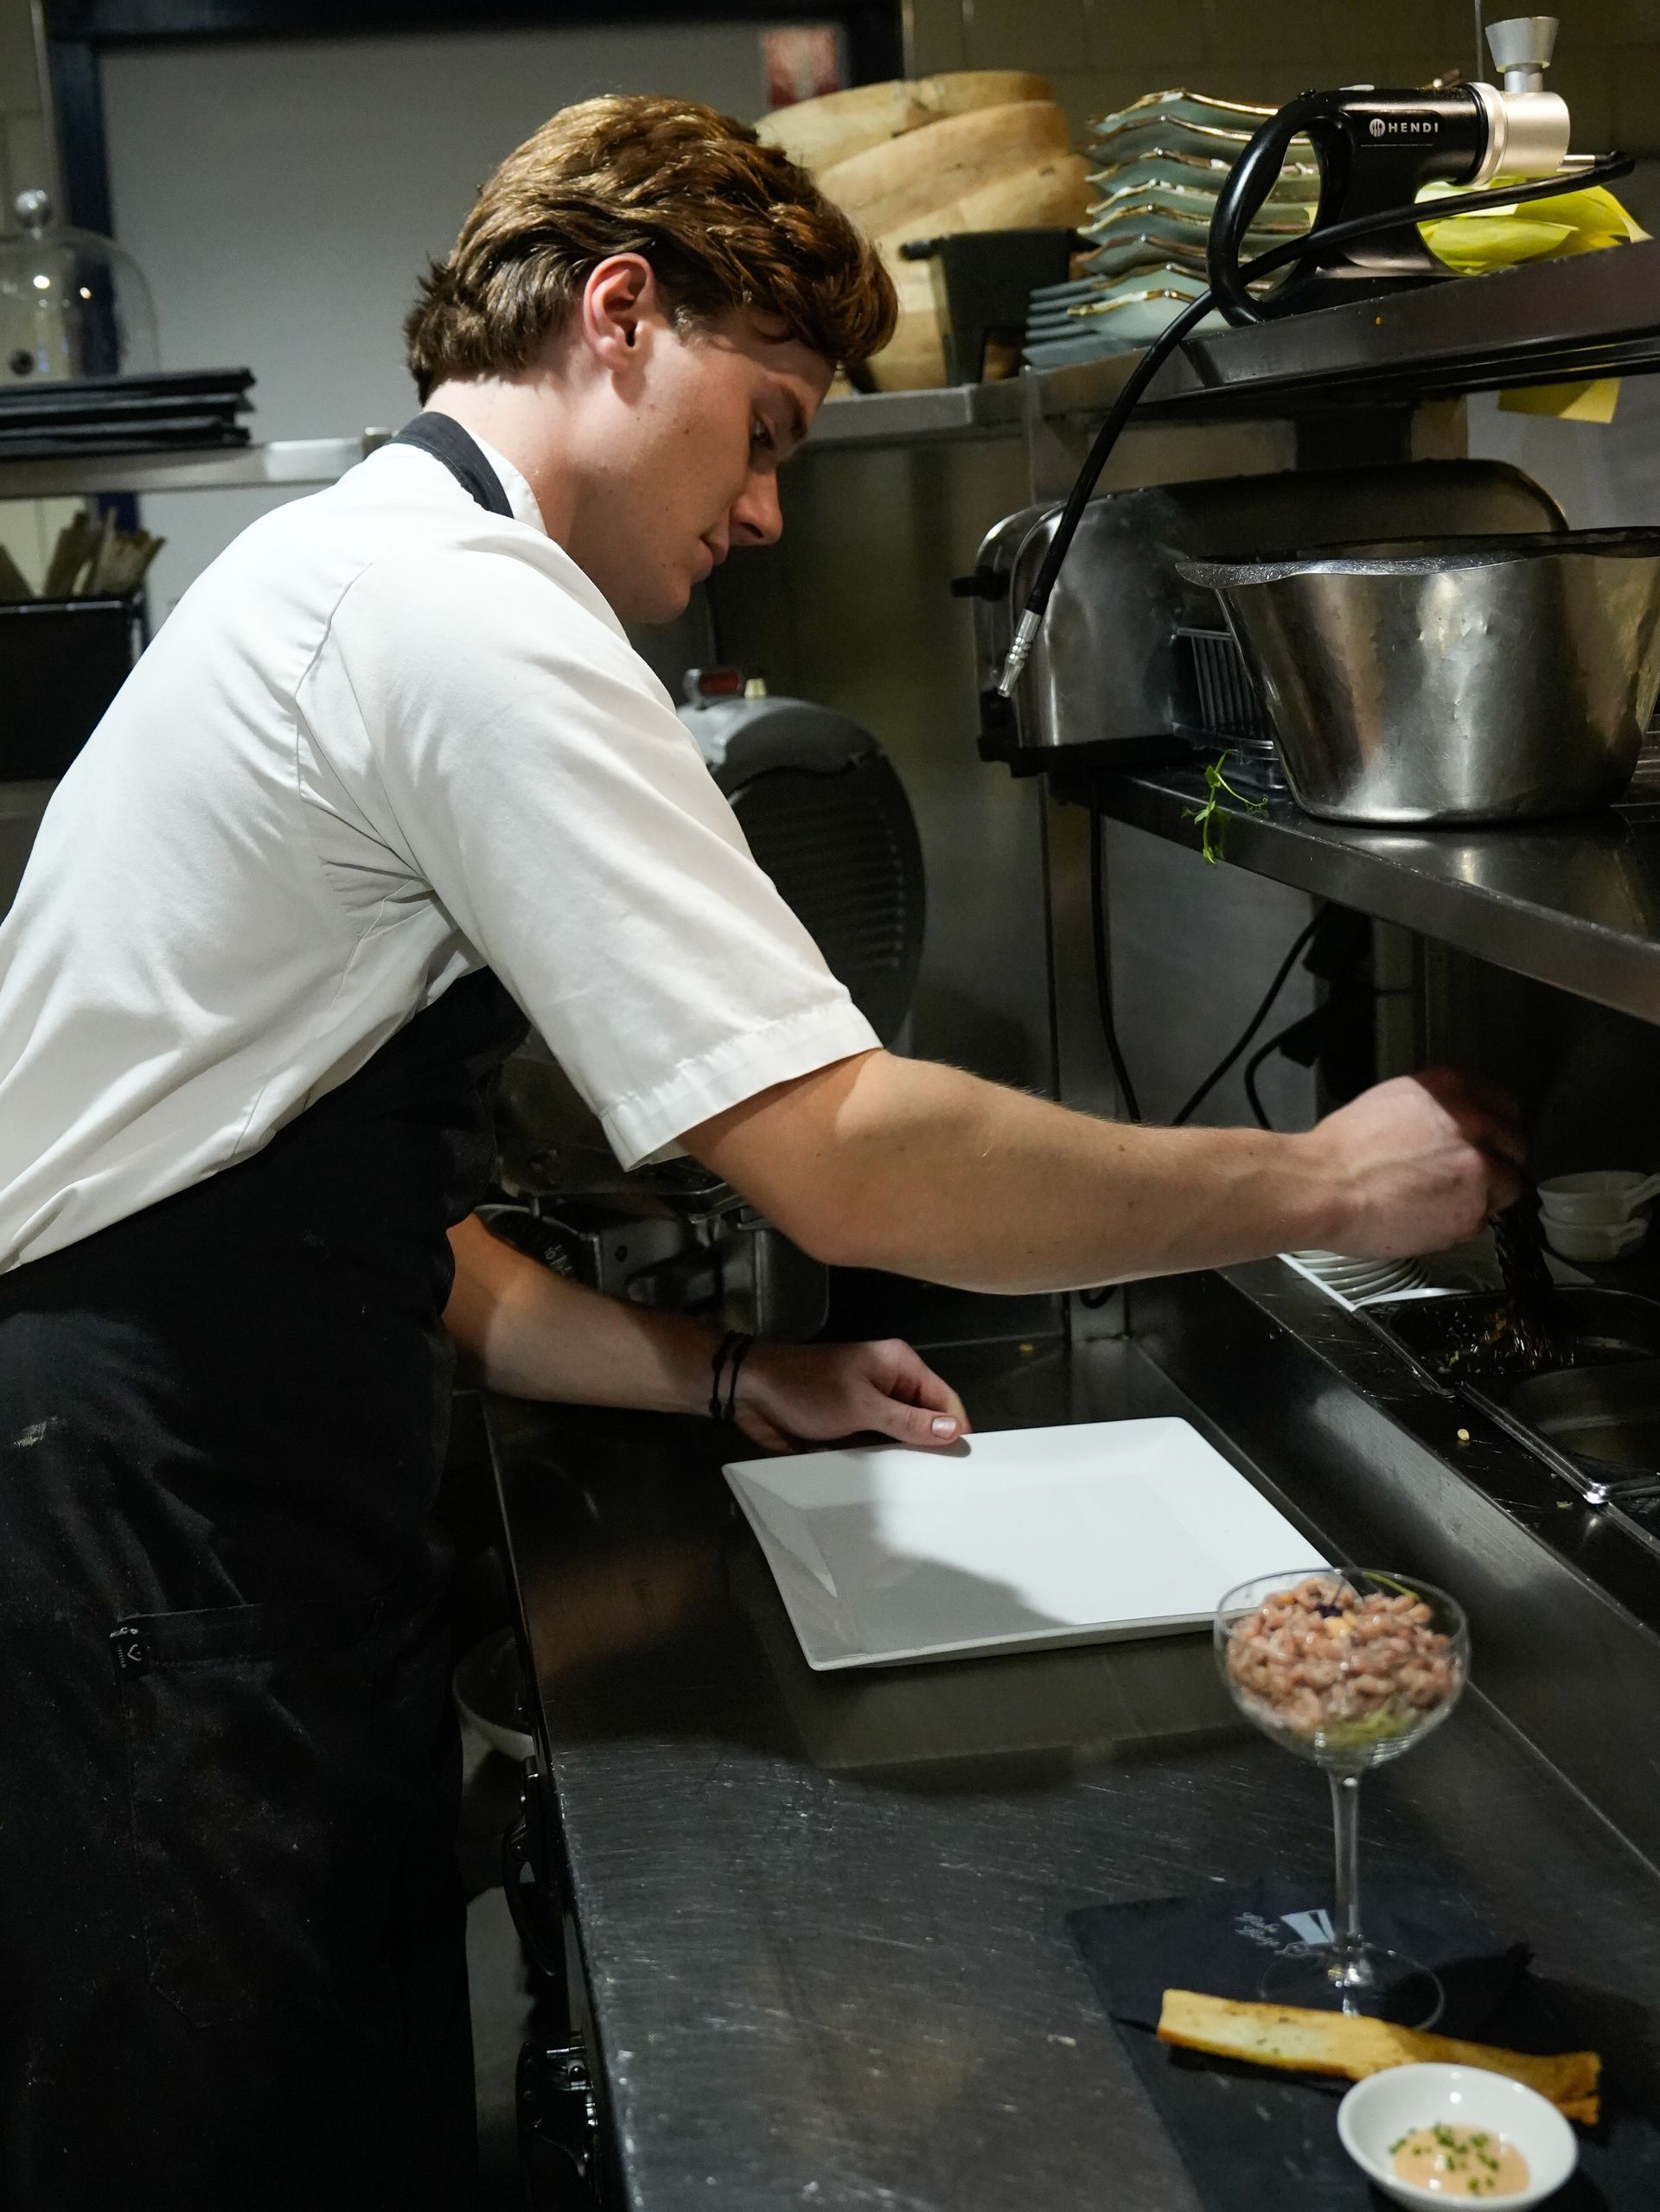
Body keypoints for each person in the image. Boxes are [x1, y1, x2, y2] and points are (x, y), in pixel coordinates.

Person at [0, 93, 1522, 2210]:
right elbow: (850, 1155)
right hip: (160, 1544)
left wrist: (728, 1374)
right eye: (769, 426)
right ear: (621, 313)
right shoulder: (462, 609)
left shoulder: (351, 565)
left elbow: (350, 1214)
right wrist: (1333, 1185)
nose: (768, 506)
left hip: (165, 1493)